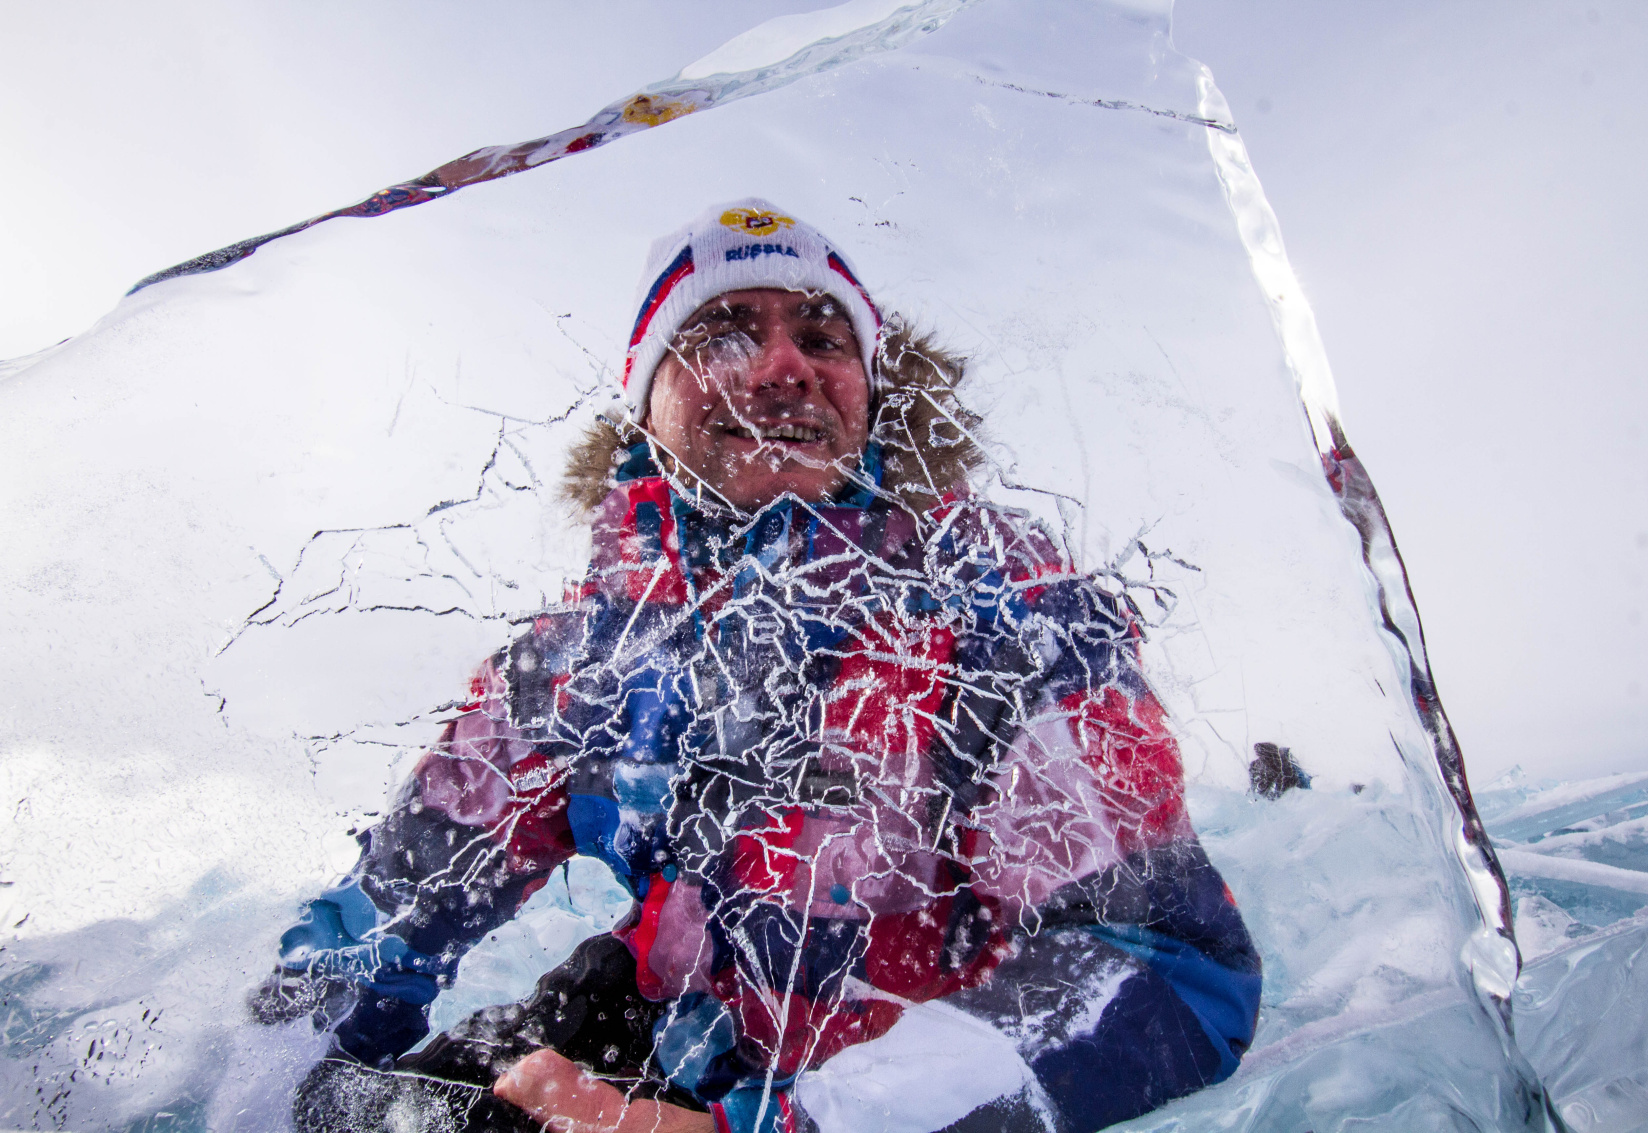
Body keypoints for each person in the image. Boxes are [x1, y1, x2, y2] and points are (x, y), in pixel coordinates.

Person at [256, 200, 1261, 1133]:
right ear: (644, 408)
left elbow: (1167, 970)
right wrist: (251, 1066)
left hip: (898, 1085)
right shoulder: (577, 657)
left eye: (823, 338)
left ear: (868, 391)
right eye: (722, 332)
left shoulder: (995, 595)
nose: (782, 364)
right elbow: (389, 914)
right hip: (679, 1023)